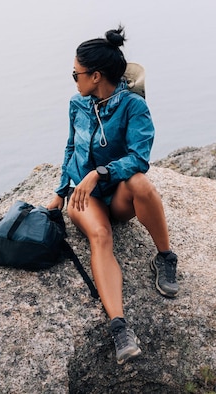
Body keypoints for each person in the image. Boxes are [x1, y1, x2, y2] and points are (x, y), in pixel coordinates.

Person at [47, 26, 179, 365]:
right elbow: (70, 147)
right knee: (101, 236)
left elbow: (139, 158)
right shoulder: (77, 104)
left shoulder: (133, 107)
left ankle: (164, 256)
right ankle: (120, 328)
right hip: (85, 198)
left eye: (75, 73)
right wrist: (61, 193)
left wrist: (99, 172)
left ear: (95, 76)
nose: (73, 78)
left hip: (115, 193)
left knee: (139, 183)